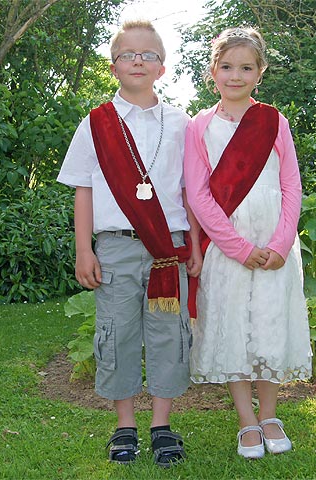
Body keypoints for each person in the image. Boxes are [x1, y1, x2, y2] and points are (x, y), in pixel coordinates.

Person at [57, 19, 202, 468]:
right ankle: (125, 426)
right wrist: (85, 249)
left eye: (148, 55)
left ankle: (161, 426)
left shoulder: (182, 123)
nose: (138, 61)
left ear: (162, 67)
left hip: (167, 248)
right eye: (128, 55)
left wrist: (194, 242)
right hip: (115, 246)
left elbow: (189, 190)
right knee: (116, 334)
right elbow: (83, 188)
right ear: (114, 65)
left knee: (168, 334)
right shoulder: (96, 123)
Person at [183, 26, 312, 459]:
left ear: (260, 72)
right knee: (234, 325)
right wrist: (237, 247)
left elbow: (291, 185)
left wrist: (280, 243)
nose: (235, 75)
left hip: (274, 242)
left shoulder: (275, 121)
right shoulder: (199, 126)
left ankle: (271, 415)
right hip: (228, 245)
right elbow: (198, 193)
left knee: (270, 323)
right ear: (212, 71)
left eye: (246, 67)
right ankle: (246, 421)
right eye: (226, 67)